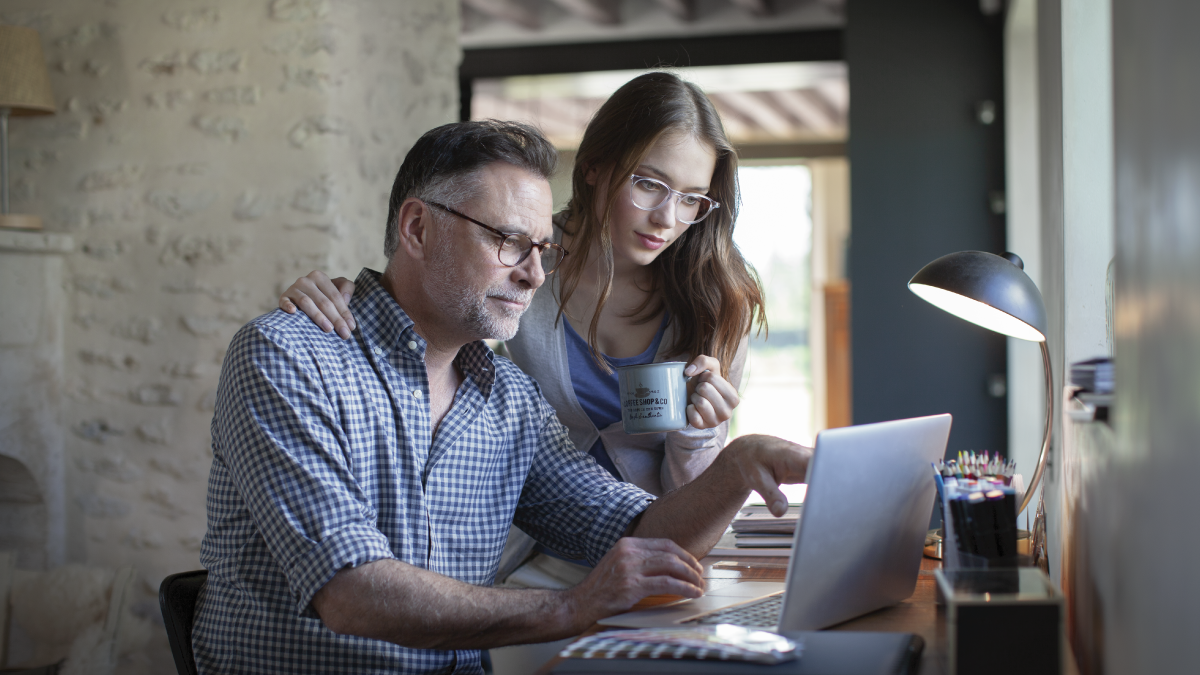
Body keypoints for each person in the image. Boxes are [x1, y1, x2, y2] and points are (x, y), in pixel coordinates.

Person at [195, 119, 809, 674]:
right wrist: (571, 606)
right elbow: (351, 593)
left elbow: (640, 531)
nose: (535, 275)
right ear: (417, 228)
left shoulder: (506, 397)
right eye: (509, 242)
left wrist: (736, 467)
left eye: (542, 249)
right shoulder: (288, 357)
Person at [280, 72, 766, 588]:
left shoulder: (718, 297)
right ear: (597, 168)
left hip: (655, 542)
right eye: (648, 184)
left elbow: (688, 501)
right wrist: (348, 295)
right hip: (523, 557)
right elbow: (431, 304)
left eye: (692, 198)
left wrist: (700, 438)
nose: (667, 218)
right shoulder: (524, 254)